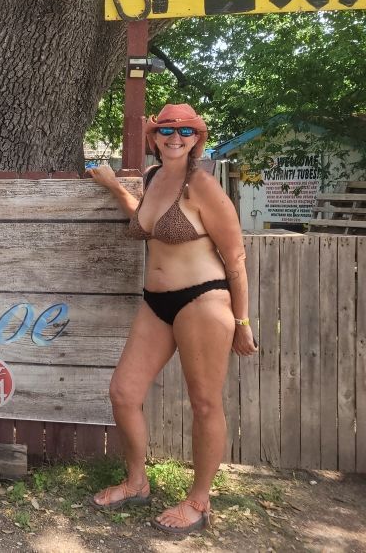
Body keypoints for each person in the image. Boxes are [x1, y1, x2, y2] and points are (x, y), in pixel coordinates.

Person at [87, 103, 257, 534]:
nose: (175, 137)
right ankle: (137, 482)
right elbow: (145, 220)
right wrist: (111, 186)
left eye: (185, 130)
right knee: (123, 392)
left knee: (204, 403)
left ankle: (199, 501)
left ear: (197, 137)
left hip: (203, 301)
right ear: (155, 136)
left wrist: (242, 321)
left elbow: (235, 258)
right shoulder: (151, 177)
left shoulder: (202, 185)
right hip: (156, 302)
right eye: (166, 130)